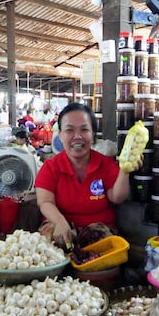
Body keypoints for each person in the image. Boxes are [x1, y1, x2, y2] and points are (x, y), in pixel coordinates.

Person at [34, 103, 137, 248]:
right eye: (69, 130)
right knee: (51, 243)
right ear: (61, 135)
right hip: (59, 225)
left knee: (99, 243)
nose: (77, 136)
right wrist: (59, 221)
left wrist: (125, 170)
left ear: (93, 134)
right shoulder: (50, 167)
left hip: (99, 231)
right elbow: (45, 202)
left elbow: (117, 197)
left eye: (84, 130)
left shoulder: (105, 164)